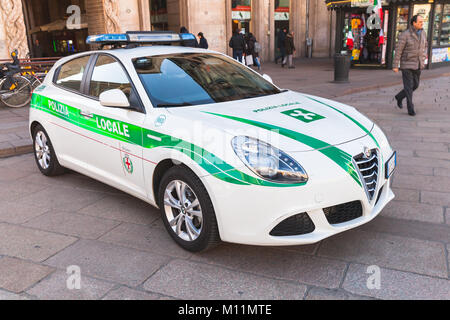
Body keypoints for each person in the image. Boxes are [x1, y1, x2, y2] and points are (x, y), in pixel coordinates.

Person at [393, 15, 428, 116]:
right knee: (408, 87)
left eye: (423, 22)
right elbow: (398, 51)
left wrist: (424, 56)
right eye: (420, 22)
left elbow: (425, 45)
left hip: (418, 64)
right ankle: (410, 108)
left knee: (415, 85)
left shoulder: (423, 33)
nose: (422, 23)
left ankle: (399, 96)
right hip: (407, 64)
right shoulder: (405, 34)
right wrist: (395, 65)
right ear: (414, 23)